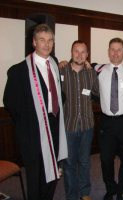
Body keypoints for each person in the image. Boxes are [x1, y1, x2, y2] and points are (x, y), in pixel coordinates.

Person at [3, 24, 67, 199]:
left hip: (54, 127)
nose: (46, 44)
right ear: (33, 42)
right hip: (32, 132)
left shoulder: (54, 64)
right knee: (36, 175)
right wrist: (28, 122)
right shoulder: (20, 70)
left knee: (53, 170)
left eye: (50, 40)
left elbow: (58, 94)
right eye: (42, 40)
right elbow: (10, 103)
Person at [60, 40, 100, 200]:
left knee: (84, 162)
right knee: (69, 164)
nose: (79, 55)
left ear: (87, 55)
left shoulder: (91, 73)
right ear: (71, 53)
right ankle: (71, 195)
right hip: (67, 125)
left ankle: (84, 193)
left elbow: (98, 92)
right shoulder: (61, 70)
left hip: (87, 125)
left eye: (83, 52)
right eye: (76, 51)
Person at [93, 38, 123, 200]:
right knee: (105, 159)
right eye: (112, 49)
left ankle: (121, 190)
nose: (115, 53)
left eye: (119, 49)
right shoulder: (97, 69)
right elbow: (79, 64)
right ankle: (110, 188)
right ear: (108, 52)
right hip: (106, 122)